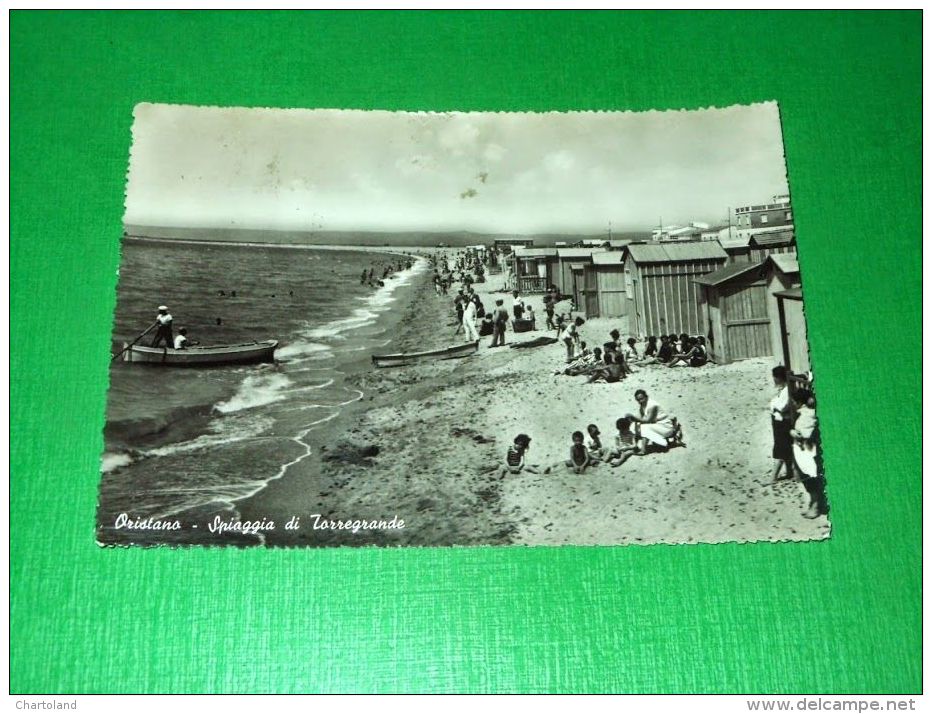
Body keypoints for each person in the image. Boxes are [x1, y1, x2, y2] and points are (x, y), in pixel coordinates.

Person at [790, 388, 826, 519]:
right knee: (807, 477)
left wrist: (793, 433)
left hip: (806, 452)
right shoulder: (807, 413)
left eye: (794, 401)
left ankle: (815, 506)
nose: (793, 404)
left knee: (809, 478)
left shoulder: (806, 416)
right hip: (804, 450)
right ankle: (813, 504)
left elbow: (805, 434)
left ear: (800, 402)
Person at [625, 389, 682, 453]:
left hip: (665, 427)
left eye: (641, 399)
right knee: (633, 426)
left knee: (644, 427)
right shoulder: (643, 404)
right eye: (638, 400)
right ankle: (634, 445)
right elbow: (640, 417)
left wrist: (634, 418)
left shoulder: (652, 405)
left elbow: (648, 420)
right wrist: (630, 419)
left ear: (646, 397)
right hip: (656, 425)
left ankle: (643, 449)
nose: (640, 401)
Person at [769, 365, 796, 483]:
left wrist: (774, 406)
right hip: (779, 421)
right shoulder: (784, 389)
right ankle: (790, 473)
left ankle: (773, 477)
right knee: (785, 448)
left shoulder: (787, 391)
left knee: (780, 448)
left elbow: (782, 406)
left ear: (779, 378)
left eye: (775, 377)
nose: (774, 379)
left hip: (783, 423)